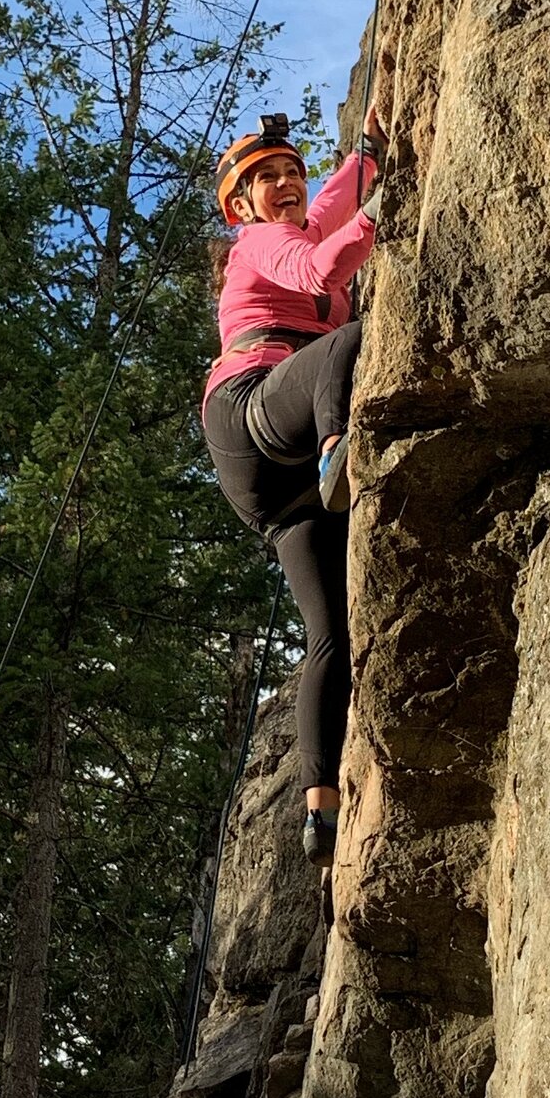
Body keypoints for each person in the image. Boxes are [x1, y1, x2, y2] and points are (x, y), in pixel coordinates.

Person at [201, 109, 382, 863]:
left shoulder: (298, 219)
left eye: (291, 173)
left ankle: (321, 808)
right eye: (265, 178)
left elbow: (333, 203)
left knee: (330, 632)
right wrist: (383, 217)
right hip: (253, 412)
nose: (285, 185)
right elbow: (318, 267)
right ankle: (338, 445)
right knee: (349, 332)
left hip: (277, 491)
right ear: (241, 204)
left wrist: (367, 159)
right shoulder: (259, 242)